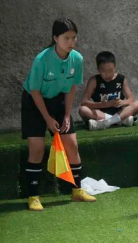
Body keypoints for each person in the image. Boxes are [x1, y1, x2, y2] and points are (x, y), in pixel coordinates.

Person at [21, 18, 96, 211]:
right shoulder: (41, 60)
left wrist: (67, 115)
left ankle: (77, 190)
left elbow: (71, 88)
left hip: (59, 101)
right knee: (37, 149)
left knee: (72, 144)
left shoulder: (77, 59)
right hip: (34, 102)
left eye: (74, 38)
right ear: (55, 38)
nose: (71, 42)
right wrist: (47, 118)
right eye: (66, 38)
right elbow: (35, 91)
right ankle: (33, 196)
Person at [79, 51, 138, 130]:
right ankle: (120, 121)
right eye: (104, 71)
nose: (108, 74)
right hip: (101, 113)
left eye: (111, 70)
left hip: (120, 112)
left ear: (115, 67)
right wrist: (104, 104)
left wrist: (122, 102)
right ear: (98, 69)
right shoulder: (94, 80)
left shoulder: (121, 79)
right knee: (83, 110)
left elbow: (131, 99)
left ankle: (106, 123)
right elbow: (84, 102)